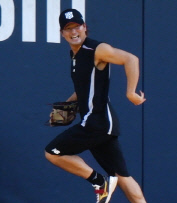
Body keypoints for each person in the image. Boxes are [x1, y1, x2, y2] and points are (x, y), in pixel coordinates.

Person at [45, 8, 147, 203]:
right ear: (62, 33)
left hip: (97, 122)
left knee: (52, 153)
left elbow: (130, 59)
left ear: (85, 27)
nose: (73, 32)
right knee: (123, 177)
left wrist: (130, 92)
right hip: (101, 124)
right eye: (68, 29)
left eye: (77, 27)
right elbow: (83, 87)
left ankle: (99, 182)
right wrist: (66, 106)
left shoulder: (97, 49)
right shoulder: (75, 55)